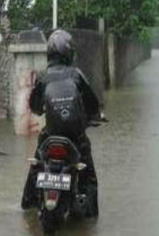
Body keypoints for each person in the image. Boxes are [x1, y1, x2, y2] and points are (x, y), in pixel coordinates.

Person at [21, 29, 101, 216]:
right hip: (76, 137)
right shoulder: (76, 74)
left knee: (37, 165)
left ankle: (28, 204)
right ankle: (90, 217)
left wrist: (42, 110)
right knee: (88, 177)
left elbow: (35, 106)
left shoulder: (42, 76)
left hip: (51, 135)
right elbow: (92, 104)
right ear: (68, 53)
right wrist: (94, 116)